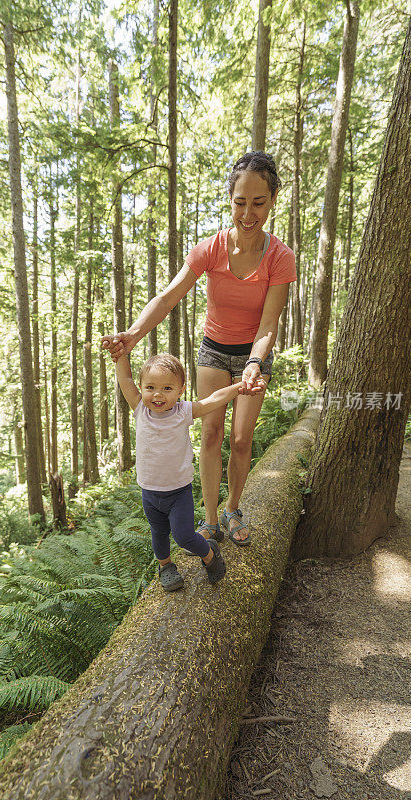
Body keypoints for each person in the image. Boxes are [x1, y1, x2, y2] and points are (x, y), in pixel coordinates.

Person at [103, 151, 296, 547]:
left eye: (258, 203)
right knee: (210, 432)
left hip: (253, 354)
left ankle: (232, 509)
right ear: (230, 199)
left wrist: (256, 363)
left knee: (241, 438)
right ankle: (209, 519)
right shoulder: (209, 249)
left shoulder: (280, 258)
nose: (248, 213)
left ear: (273, 199)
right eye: (240, 202)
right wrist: (133, 335)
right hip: (213, 348)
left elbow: (269, 323)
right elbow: (167, 297)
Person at [113, 351, 263, 591]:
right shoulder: (141, 409)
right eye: (150, 387)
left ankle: (210, 555)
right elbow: (125, 380)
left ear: (181, 390)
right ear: (141, 388)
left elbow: (213, 399)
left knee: (183, 536)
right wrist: (120, 354)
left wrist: (239, 388)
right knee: (158, 533)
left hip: (178, 492)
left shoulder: (183, 411)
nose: (158, 395)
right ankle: (165, 566)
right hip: (150, 492)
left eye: (167, 389)